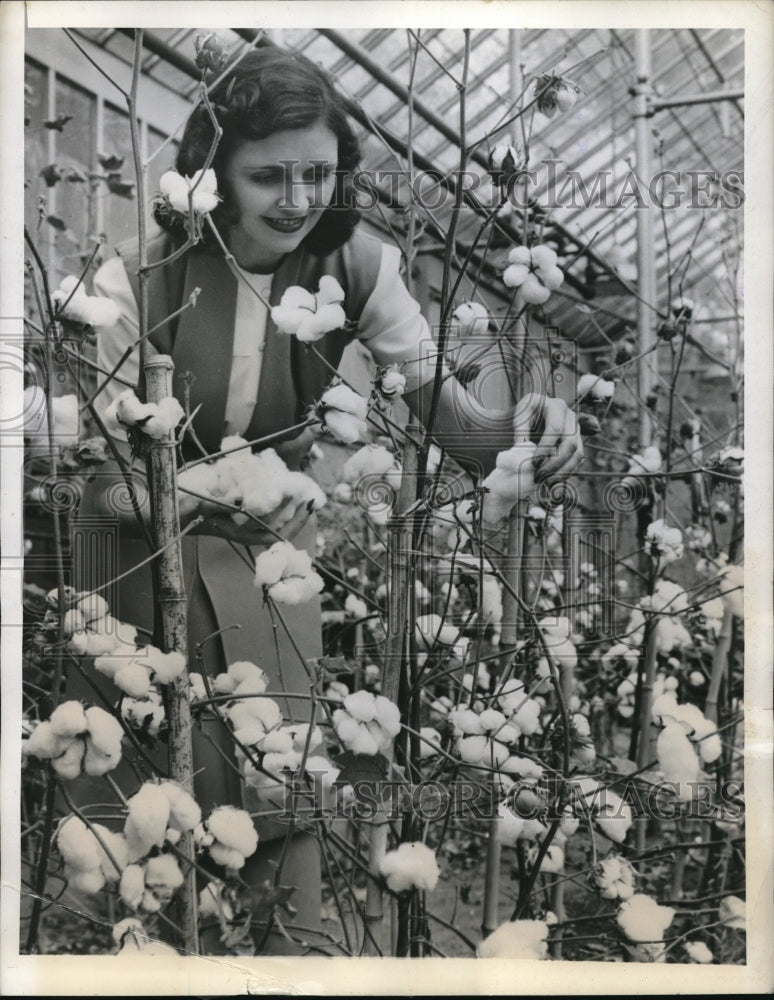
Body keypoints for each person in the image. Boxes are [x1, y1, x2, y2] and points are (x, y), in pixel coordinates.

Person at [72, 45, 583, 954]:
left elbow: (463, 433)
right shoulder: (135, 273)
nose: (300, 198)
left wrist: (537, 421)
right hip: (137, 567)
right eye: (269, 175)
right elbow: (99, 469)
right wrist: (182, 495)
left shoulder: (356, 266)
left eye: (319, 172)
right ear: (211, 174)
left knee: (284, 805)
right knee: (140, 834)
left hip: (268, 564)